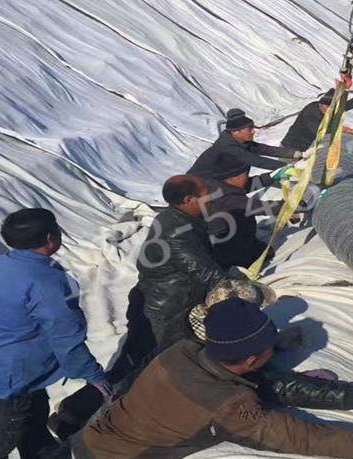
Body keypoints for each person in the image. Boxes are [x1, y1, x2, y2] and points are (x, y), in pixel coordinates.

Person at [33, 299, 353, 459]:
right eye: (269, 348)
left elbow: (264, 385)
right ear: (252, 356)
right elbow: (303, 437)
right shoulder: (229, 406)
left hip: (82, 445)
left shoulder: (182, 353)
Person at [48, 175, 232, 441]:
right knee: (145, 369)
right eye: (206, 195)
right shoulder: (177, 234)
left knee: (131, 364)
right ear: (189, 200)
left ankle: (73, 413)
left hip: (154, 302)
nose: (211, 199)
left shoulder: (176, 219)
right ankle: (89, 420)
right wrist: (247, 290)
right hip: (165, 310)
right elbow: (208, 273)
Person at [0, 209, 109, 459]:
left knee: (32, 428)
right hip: (15, 377)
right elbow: (66, 337)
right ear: (51, 238)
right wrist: (95, 376)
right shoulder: (46, 281)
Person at [188, 108, 301, 183]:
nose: (253, 131)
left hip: (222, 180)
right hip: (198, 185)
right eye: (249, 129)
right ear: (236, 132)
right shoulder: (228, 147)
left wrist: (294, 153)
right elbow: (257, 161)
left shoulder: (238, 141)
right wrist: (289, 169)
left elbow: (263, 149)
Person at [205, 164, 284, 269]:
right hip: (231, 247)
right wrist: (289, 204)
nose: (247, 178)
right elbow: (262, 208)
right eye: (245, 175)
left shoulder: (219, 185)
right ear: (232, 178)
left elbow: (250, 184)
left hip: (236, 237)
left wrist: (270, 177)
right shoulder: (227, 199)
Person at [281, 83, 353, 152]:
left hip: (307, 149)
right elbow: (320, 131)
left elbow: (343, 107)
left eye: (333, 107)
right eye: (328, 107)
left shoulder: (328, 110)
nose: (330, 110)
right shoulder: (310, 113)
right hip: (290, 148)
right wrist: (343, 130)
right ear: (321, 104)